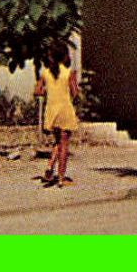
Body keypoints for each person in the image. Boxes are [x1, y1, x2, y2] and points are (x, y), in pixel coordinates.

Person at [33, 43, 81, 187]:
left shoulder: (45, 73)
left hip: (52, 110)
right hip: (65, 110)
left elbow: (38, 91)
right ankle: (61, 178)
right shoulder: (68, 73)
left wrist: (48, 92)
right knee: (64, 145)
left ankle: (50, 167)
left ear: (50, 57)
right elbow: (75, 93)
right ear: (65, 56)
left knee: (58, 142)